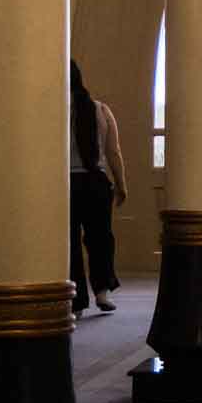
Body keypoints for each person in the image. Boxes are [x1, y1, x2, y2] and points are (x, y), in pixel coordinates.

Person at [70, 60, 128, 314]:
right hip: (96, 183)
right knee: (100, 239)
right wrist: (121, 184)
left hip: (65, 183)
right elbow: (113, 152)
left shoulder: (53, 112)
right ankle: (102, 293)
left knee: (69, 242)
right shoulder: (101, 110)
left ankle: (76, 300)